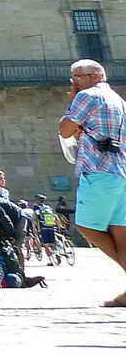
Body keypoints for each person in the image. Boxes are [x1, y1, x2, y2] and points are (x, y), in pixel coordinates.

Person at [61, 59, 126, 306]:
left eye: (76, 77)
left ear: (93, 76)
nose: (73, 82)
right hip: (120, 173)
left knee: (86, 226)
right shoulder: (119, 100)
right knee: (120, 232)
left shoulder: (86, 96)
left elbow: (65, 129)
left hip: (98, 171)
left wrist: (73, 98)